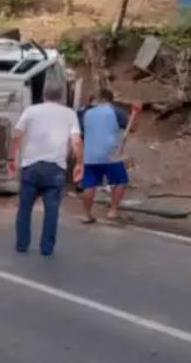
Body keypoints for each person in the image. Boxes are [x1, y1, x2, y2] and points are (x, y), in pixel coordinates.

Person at [8, 82, 83, 257]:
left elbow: (17, 135)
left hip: (31, 166)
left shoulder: (31, 111)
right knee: (52, 210)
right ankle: (47, 248)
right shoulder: (69, 114)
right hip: (55, 169)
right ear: (61, 97)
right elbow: (77, 141)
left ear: (43, 95)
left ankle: (22, 244)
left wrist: (11, 158)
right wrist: (80, 163)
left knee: (25, 208)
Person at [81, 88, 130, 223]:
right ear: (111, 99)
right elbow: (129, 126)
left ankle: (86, 214)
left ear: (98, 98)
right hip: (110, 154)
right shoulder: (116, 112)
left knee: (89, 185)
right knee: (120, 181)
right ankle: (113, 211)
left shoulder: (86, 113)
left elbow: (82, 131)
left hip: (90, 154)